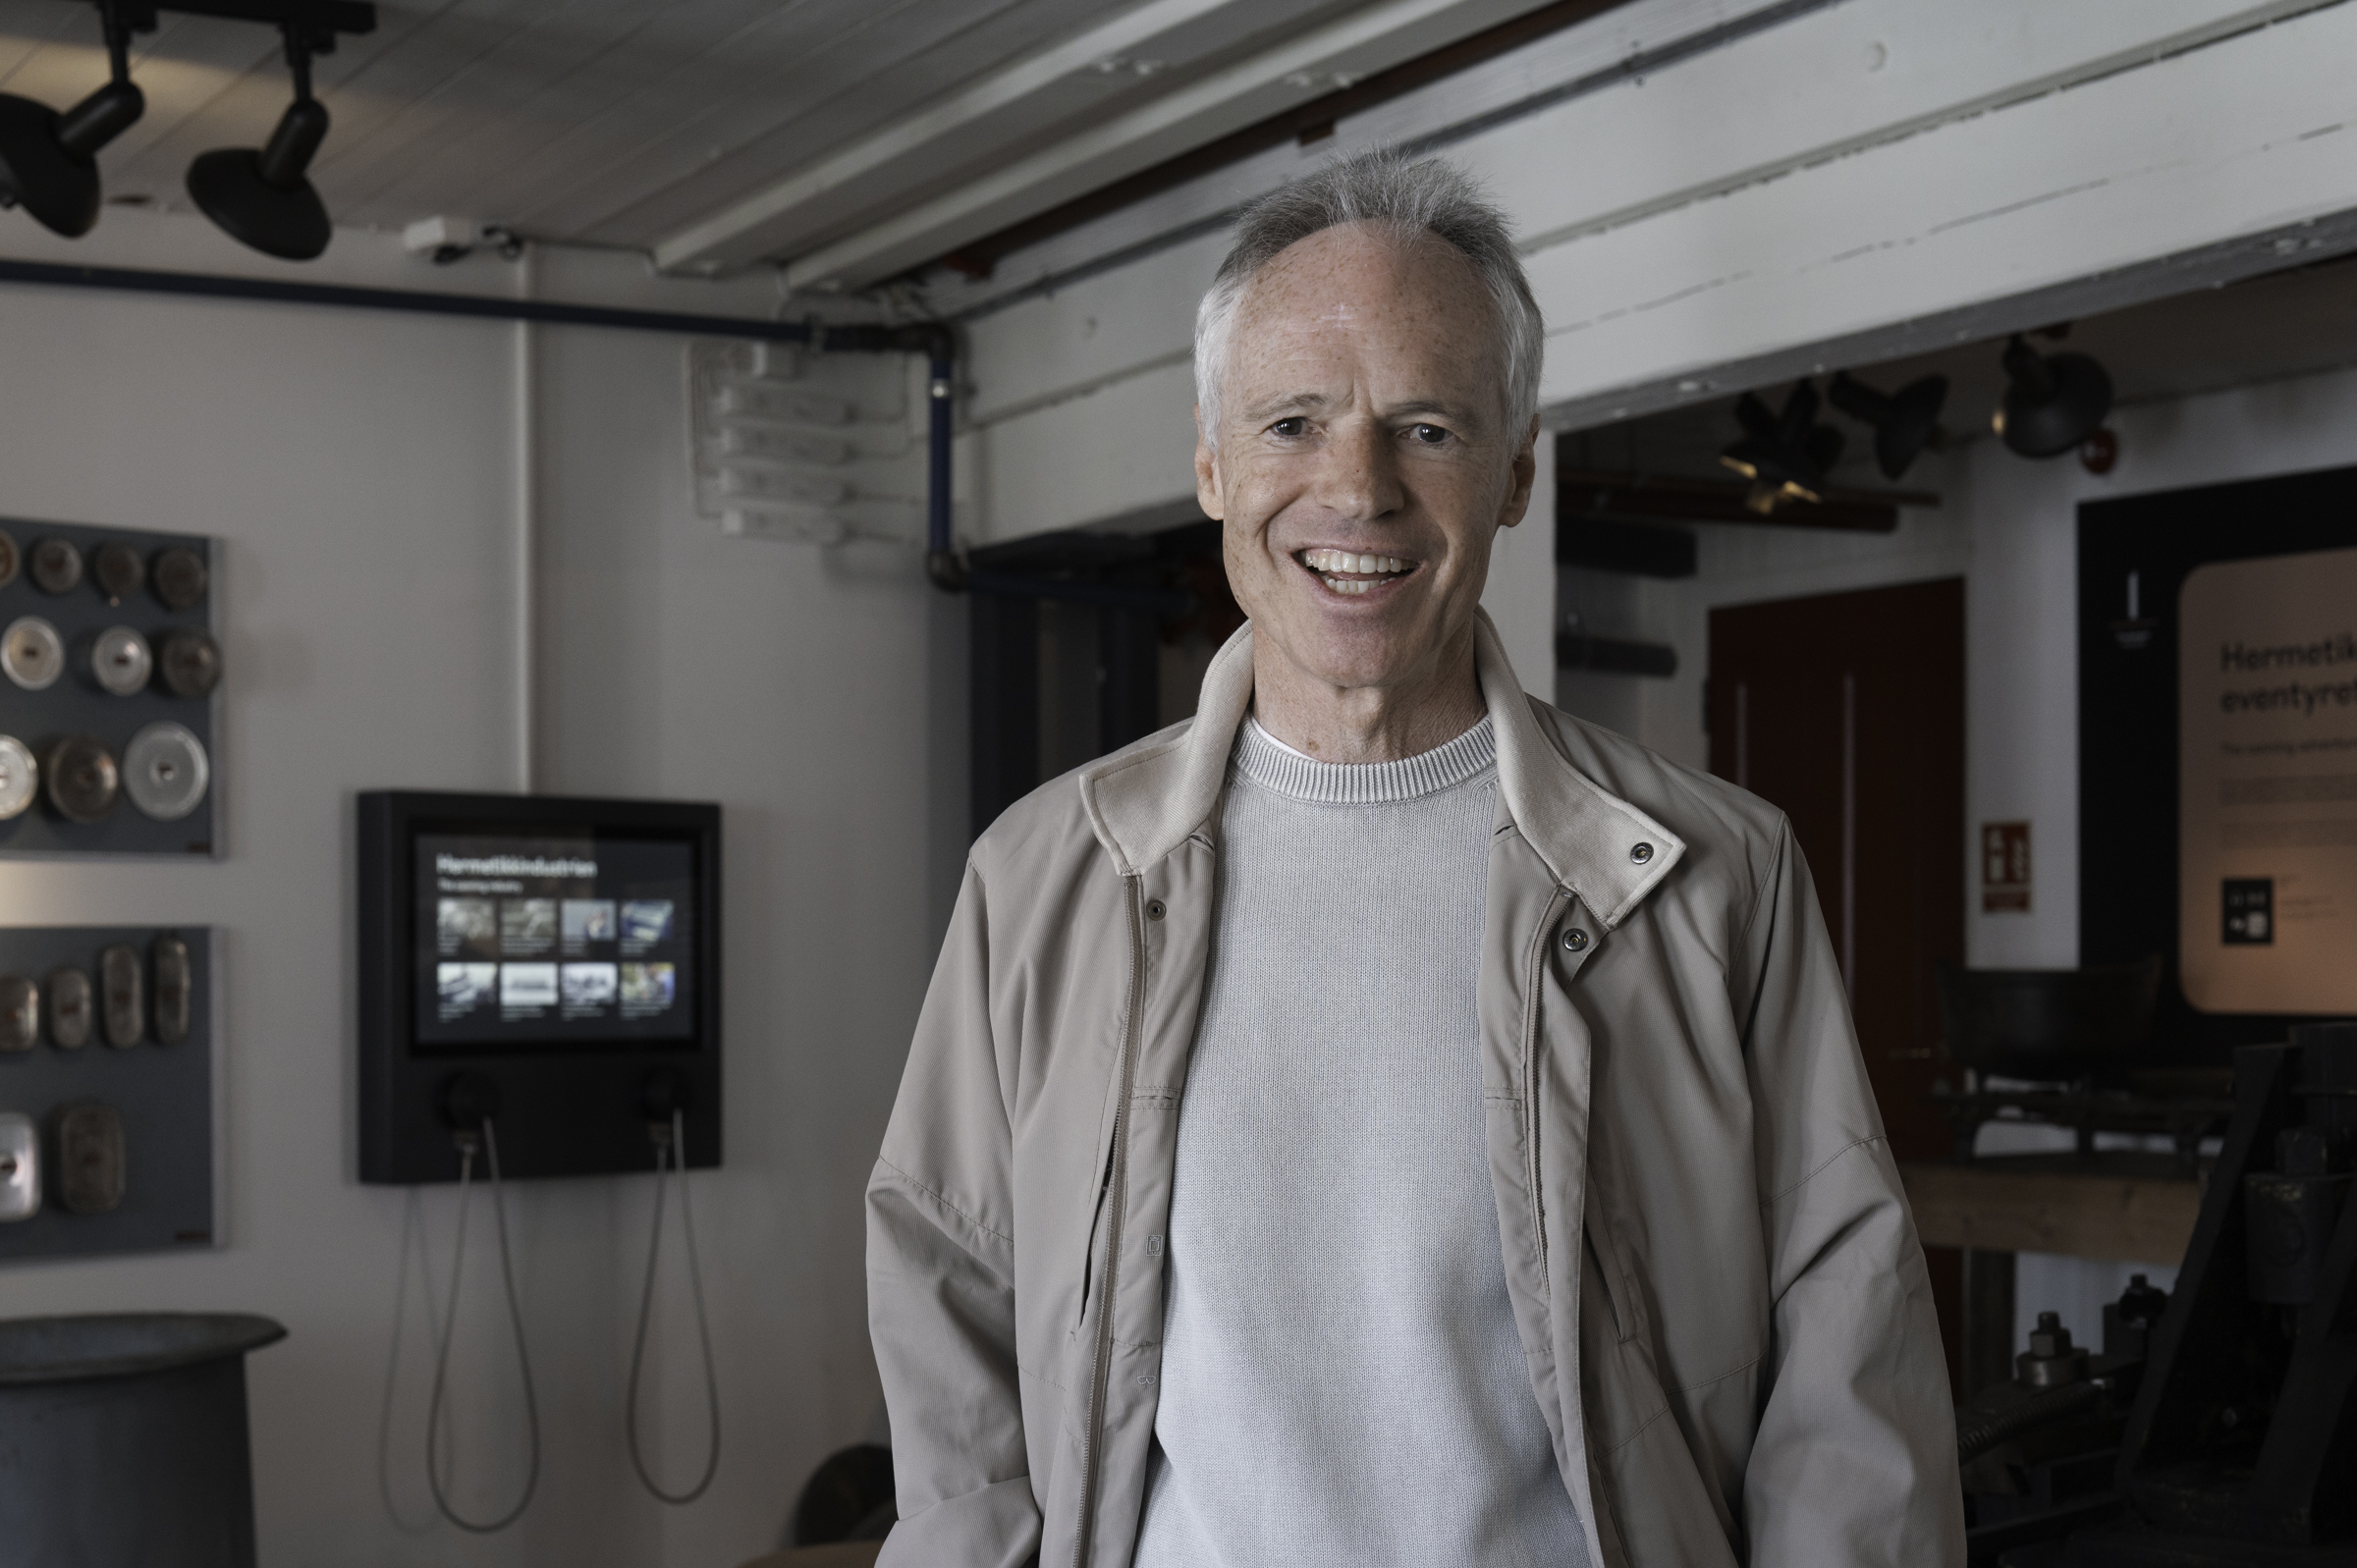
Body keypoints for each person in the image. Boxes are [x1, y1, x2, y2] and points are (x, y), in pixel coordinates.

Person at [867, 147, 1964, 1568]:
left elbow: (1848, 1356)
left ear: (1517, 468)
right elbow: (950, 1302)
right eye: (1293, 423)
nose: (1357, 487)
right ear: (1212, 465)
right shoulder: (1045, 878)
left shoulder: (1709, 878)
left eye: (1428, 427)